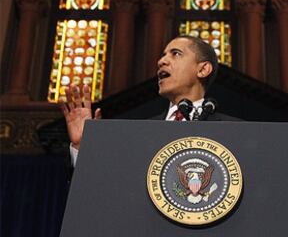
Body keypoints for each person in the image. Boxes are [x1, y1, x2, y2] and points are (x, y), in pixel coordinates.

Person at [60, 36, 235, 165]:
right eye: (163, 55)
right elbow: (107, 189)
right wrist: (82, 147)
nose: (161, 61)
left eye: (176, 54)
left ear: (203, 69)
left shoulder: (235, 133)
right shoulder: (135, 135)